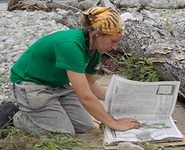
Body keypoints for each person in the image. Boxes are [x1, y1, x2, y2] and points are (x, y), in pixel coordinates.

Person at [9, 6, 140, 136]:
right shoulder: (71, 46)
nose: (115, 47)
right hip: (31, 85)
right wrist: (114, 123)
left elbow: (92, 85)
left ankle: (49, 111)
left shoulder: (95, 48)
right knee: (64, 133)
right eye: (113, 41)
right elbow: (85, 96)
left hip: (58, 85)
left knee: (84, 126)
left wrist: (124, 99)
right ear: (98, 34)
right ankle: (15, 116)